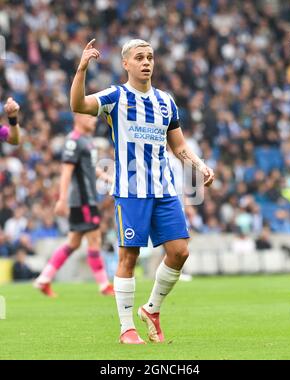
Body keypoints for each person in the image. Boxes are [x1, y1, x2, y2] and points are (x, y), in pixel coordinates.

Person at [70, 39, 214, 344]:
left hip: (164, 189)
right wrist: (82, 68)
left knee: (180, 251)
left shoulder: (166, 101)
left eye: (150, 57)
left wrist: (199, 166)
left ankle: (151, 309)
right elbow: (78, 105)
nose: (146, 62)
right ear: (126, 64)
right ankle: (127, 329)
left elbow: (179, 146)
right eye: (139, 57)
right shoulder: (115, 96)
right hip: (130, 190)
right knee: (129, 256)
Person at [34, 113, 114, 297]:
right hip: (82, 200)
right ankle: (104, 285)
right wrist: (62, 199)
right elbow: (66, 171)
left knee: (74, 242)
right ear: (78, 118)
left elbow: (89, 166)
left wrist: (105, 177)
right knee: (94, 240)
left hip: (87, 199)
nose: (94, 120)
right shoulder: (73, 141)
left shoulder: (87, 141)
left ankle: (44, 279)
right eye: (90, 117)